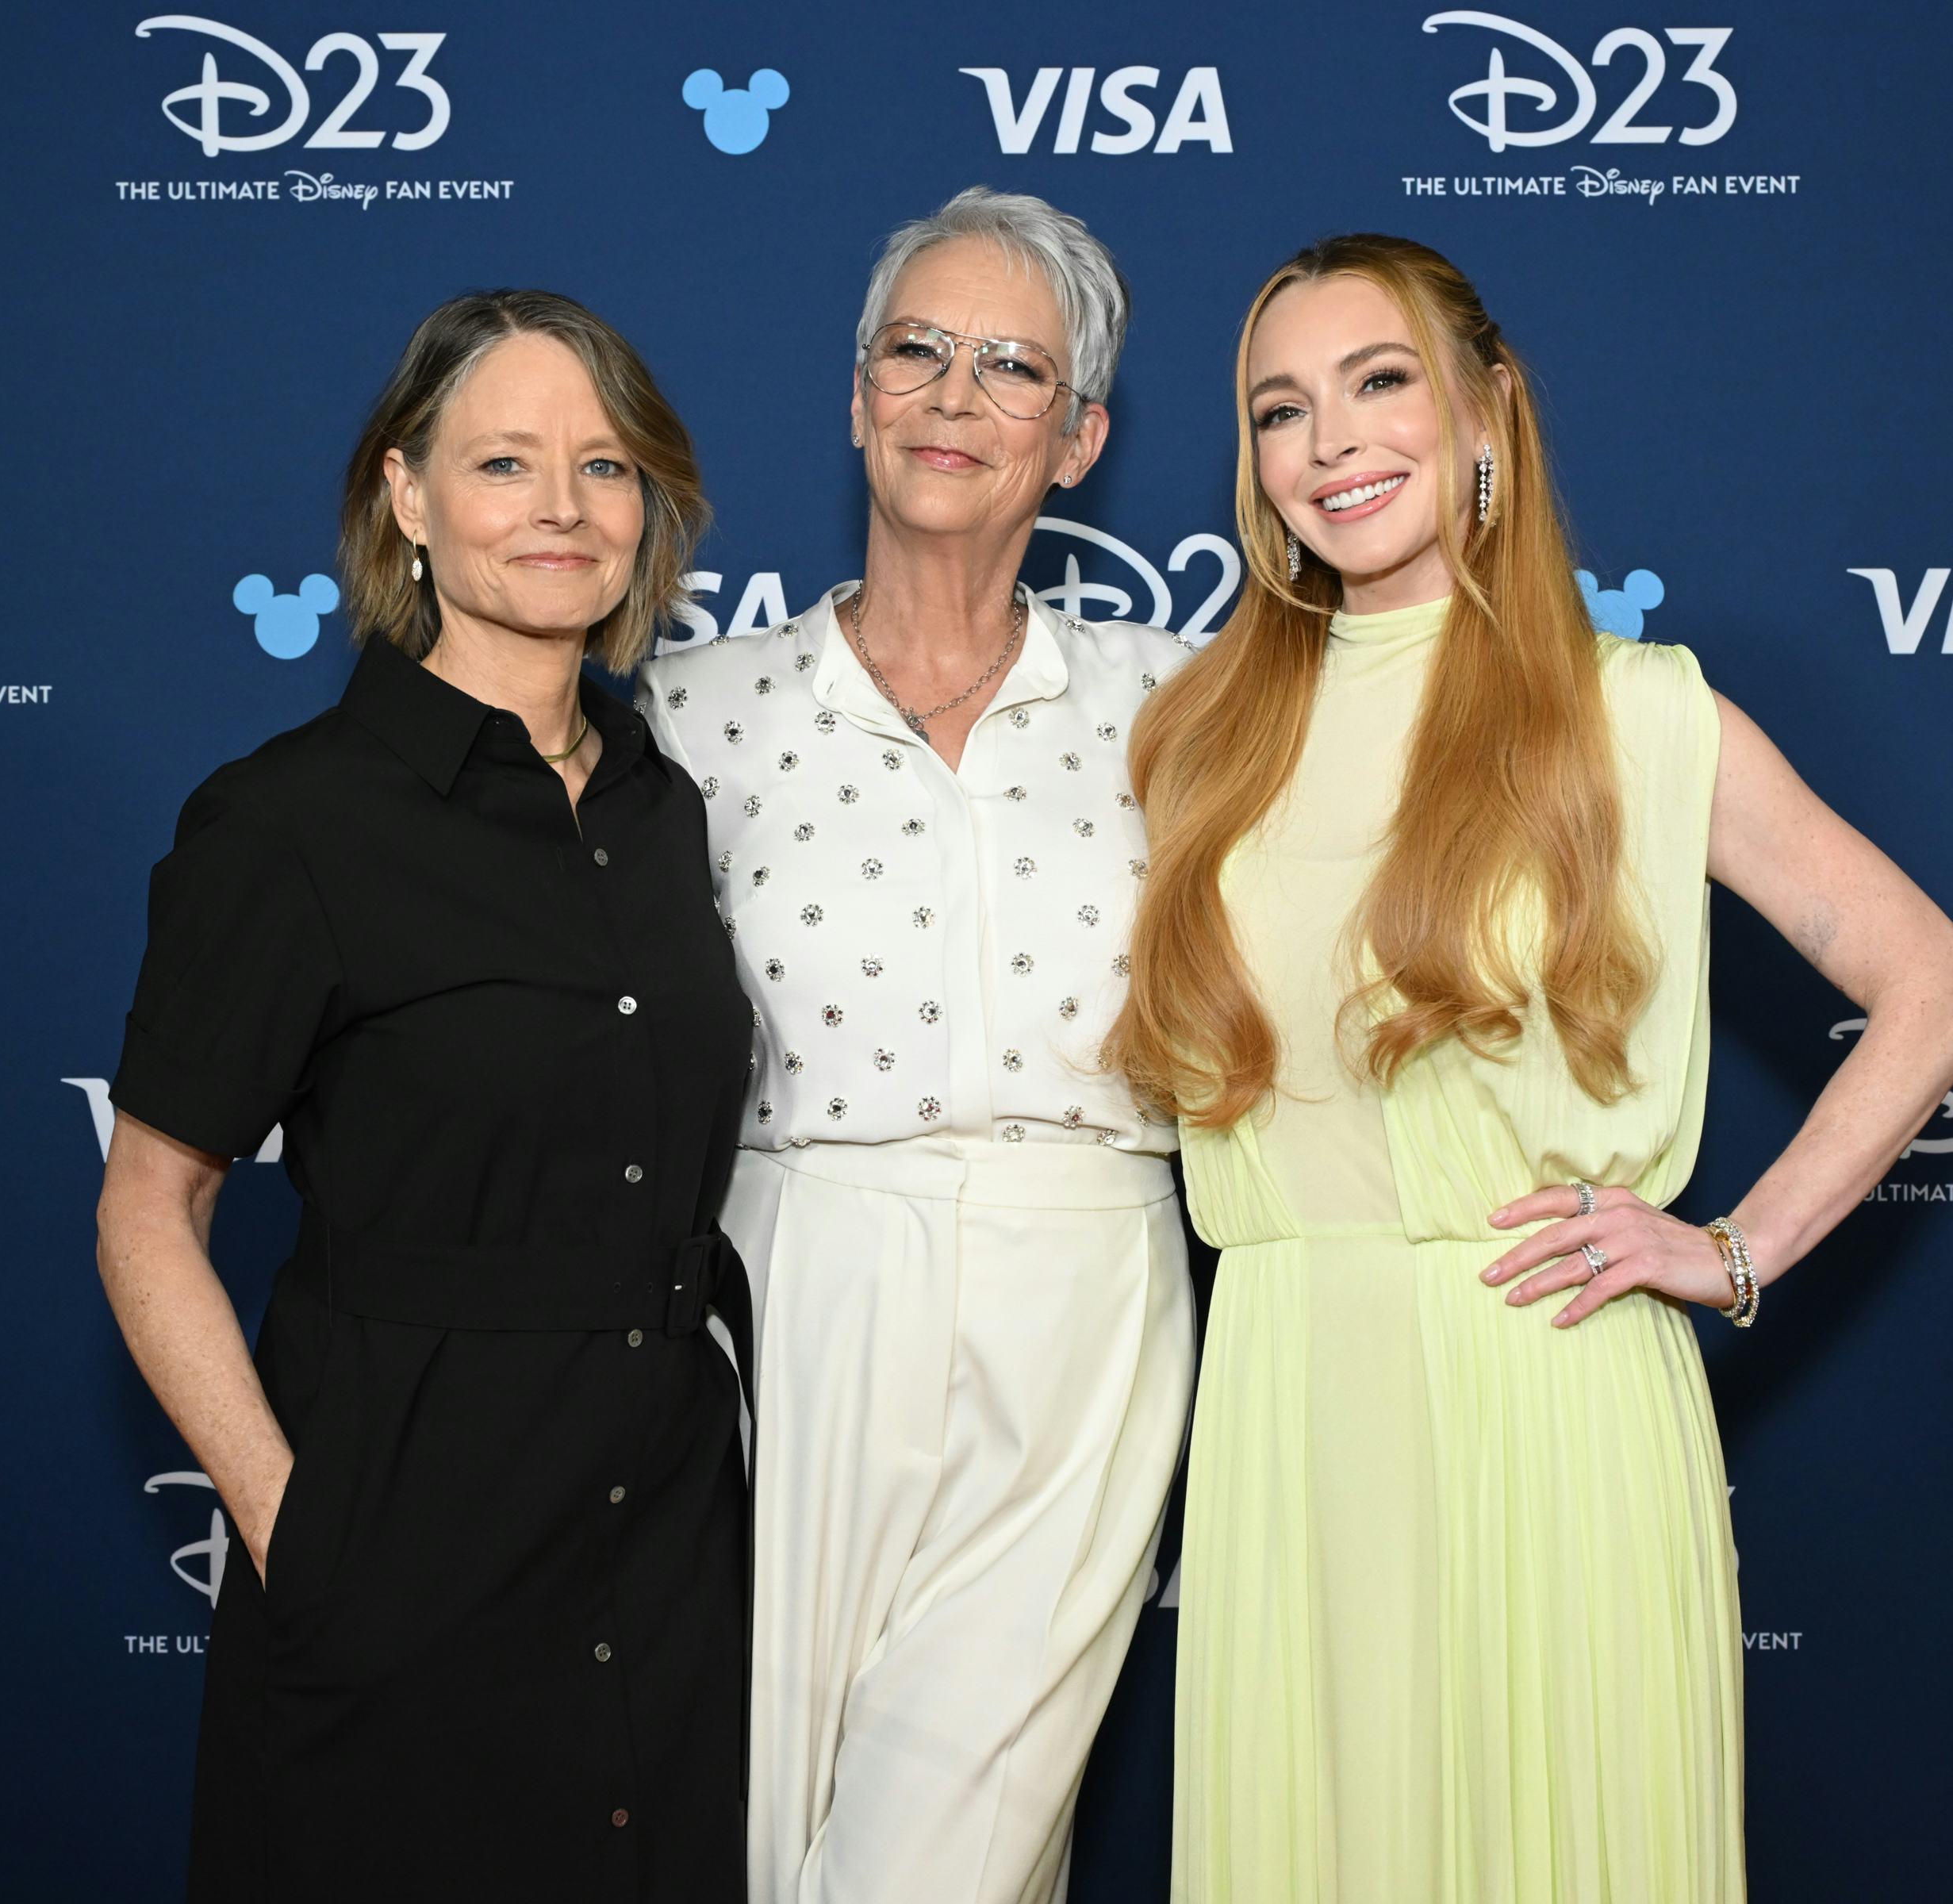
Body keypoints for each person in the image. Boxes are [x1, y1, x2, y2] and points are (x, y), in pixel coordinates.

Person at [1110, 236, 1953, 1902]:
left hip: (1548, 1383)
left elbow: (1936, 986)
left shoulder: (1637, 715)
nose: (1332, 444)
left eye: (1382, 382)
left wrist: (1737, 1249)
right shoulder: (1199, 737)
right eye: (1281, 410)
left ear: (1483, 415)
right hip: (1290, 1399)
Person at [94, 290, 751, 1902]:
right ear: (406, 497)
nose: (559, 511)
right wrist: (294, 1533)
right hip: (406, 1546)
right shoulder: (289, 823)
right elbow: (149, 1208)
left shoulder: (668, 805)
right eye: (504, 463)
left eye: (603, 469)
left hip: (666, 1553)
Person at [637, 187, 1194, 1904]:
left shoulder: (1186, 708)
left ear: (1080, 436)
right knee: (766, 1831)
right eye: (918, 351)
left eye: (1012, 367)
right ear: (859, 392)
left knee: (929, 1857)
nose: (955, 397)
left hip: (1085, 1297)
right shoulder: (691, 712)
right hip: (787, 1285)